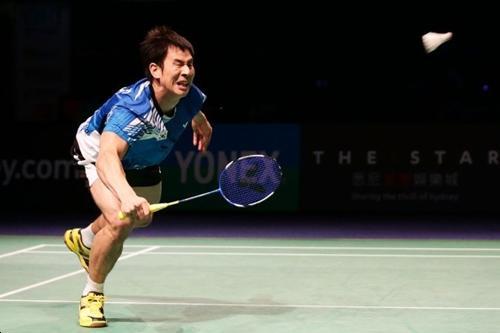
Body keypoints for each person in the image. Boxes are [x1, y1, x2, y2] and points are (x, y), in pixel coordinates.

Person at [64, 25, 213, 328]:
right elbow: (108, 157)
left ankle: (86, 239)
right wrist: (127, 194)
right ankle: (92, 295)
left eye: (190, 63)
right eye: (178, 64)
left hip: (145, 159)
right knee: (120, 219)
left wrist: (201, 120)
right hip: (98, 154)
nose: (187, 71)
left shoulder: (186, 93)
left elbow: (192, 105)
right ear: (155, 70)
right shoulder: (131, 110)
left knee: (141, 218)